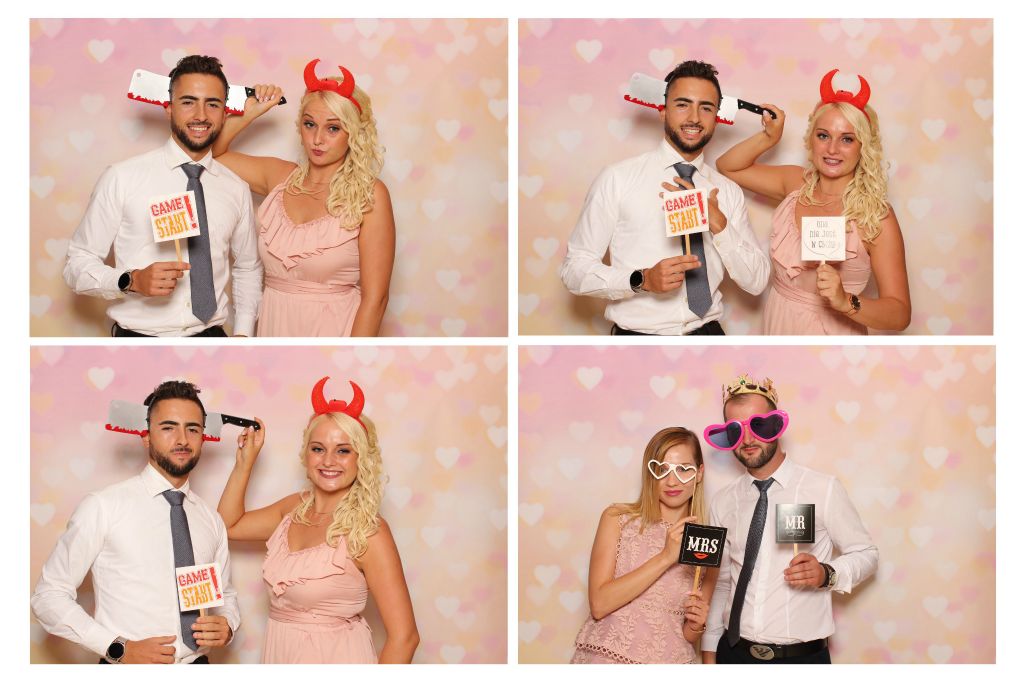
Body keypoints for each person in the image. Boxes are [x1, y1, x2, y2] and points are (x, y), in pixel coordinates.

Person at [31, 381, 240, 663]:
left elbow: (226, 594)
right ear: (146, 436)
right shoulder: (104, 507)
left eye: (192, 429)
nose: (182, 439)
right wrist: (118, 648)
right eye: (168, 427)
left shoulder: (210, 520)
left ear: (203, 437)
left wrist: (228, 624)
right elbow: (48, 596)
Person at [560, 60, 770, 335]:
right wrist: (641, 279)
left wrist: (720, 226)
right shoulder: (617, 179)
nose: (694, 118)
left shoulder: (727, 191)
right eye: (683, 104)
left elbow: (757, 282)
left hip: (708, 335)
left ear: (717, 116)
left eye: (706, 108)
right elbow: (574, 269)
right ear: (663, 110)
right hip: (637, 339)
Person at [217, 377, 418, 663]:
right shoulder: (292, 509)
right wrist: (244, 463)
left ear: (361, 458)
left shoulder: (369, 531)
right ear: (306, 454)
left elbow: (405, 637)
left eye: (343, 450)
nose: (328, 460)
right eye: (318, 448)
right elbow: (227, 526)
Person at [64, 55, 262, 337]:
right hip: (138, 339)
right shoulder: (122, 177)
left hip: (212, 337)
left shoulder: (236, 188)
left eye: (213, 104)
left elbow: (247, 267)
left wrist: (243, 333)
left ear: (224, 113)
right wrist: (130, 280)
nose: (201, 115)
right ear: (169, 108)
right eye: (188, 102)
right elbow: (77, 262)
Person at [715, 70, 911, 334]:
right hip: (780, 324)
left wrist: (846, 301)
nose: (832, 149)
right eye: (823, 135)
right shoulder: (795, 182)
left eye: (847, 139)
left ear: (863, 146)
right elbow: (728, 166)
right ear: (811, 139)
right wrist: (769, 138)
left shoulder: (876, 216)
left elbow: (900, 314)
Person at [700, 375, 878, 664]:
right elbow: (722, 582)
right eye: (735, 430)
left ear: (776, 426)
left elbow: (867, 554)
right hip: (734, 655)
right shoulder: (723, 501)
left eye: (758, 426)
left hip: (801, 659)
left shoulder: (822, 489)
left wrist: (827, 573)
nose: (748, 439)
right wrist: (709, 652)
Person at [211, 59, 396, 337]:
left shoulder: (370, 194)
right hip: (275, 328)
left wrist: (352, 355)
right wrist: (249, 113)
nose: (317, 139)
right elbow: (213, 155)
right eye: (310, 124)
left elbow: (376, 299)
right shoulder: (279, 177)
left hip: (337, 332)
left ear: (353, 133)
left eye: (333, 128)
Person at [571, 427, 712, 664]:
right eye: (662, 470)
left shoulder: (707, 542)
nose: (672, 481)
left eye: (683, 469)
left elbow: (686, 634)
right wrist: (665, 557)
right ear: (650, 473)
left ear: (699, 473)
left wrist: (696, 625)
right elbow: (599, 605)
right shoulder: (618, 519)